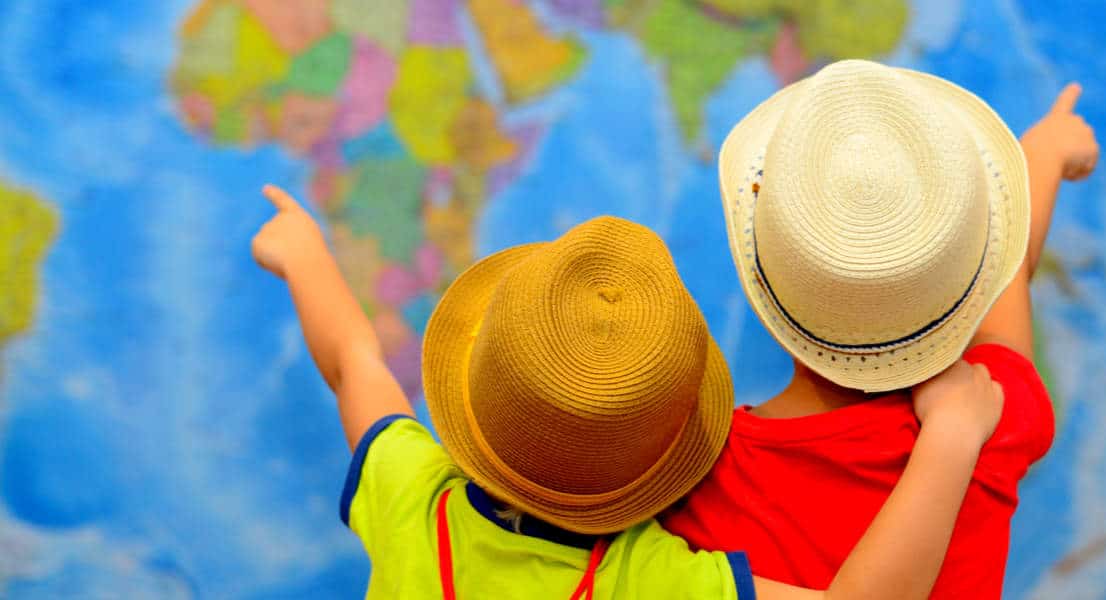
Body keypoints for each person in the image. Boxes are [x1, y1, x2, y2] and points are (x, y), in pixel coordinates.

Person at [250, 192, 1007, 599]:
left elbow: (355, 365)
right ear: (665, 462)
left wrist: (304, 255)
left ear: (479, 398)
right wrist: (950, 436)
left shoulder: (412, 501)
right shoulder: (649, 579)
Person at [661, 60, 1100, 599]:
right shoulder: (993, 414)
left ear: (768, 291)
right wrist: (1046, 154)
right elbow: (1007, 293)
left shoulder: (689, 479)